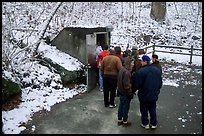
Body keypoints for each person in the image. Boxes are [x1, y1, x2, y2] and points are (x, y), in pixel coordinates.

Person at [132, 55, 162, 129]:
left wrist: (134, 90)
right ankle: (154, 123)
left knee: (144, 108)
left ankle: (145, 123)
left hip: (143, 94)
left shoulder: (141, 71)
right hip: (154, 93)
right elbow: (160, 83)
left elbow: (137, 84)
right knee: (153, 108)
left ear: (145, 61)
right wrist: (157, 90)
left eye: (142, 61)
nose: (141, 62)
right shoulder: (157, 70)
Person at [117, 57, 135, 127]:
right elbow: (127, 85)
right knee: (125, 107)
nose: (133, 64)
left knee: (121, 106)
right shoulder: (127, 73)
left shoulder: (122, 69)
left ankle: (119, 120)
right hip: (125, 93)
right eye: (132, 63)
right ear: (129, 63)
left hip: (121, 91)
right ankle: (125, 121)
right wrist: (130, 93)